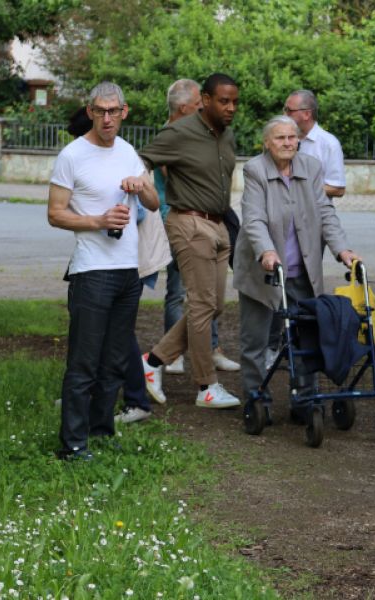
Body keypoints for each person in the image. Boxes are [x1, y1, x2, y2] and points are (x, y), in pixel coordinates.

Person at [47, 82, 159, 460]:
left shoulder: (128, 152)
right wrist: (98, 219)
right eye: (100, 111)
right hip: (92, 271)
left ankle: (100, 430)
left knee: (113, 360)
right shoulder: (72, 155)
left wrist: (140, 185)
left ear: (124, 112)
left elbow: (155, 202)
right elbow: (55, 213)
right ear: (90, 111)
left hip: (129, 270)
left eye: (114, 111)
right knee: (84, 361)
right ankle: (73, 444)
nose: (107, 118)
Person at [233, 116, 358, 405]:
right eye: (280, 138)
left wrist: (343, 250)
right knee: (256, 340)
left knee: (305, 336)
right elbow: (253, 219)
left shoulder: (311, 167)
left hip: (301, 269)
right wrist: (266, 251)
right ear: (267, 143)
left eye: (292, 137)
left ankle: (305, 398)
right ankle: (256, 397)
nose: (288, 143)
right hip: (263, 271)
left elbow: (325, 212)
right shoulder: (255, 170)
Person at [139, 73, 241, 409]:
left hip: (219, 225)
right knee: (200, 306)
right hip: (189, 223)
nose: (231, 108)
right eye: (224, 101)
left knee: (213, 306)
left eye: (235, 102)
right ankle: (206, 386)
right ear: (206, 101)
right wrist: (141, 187)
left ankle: (151, 363)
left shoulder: (226, 136)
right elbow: (143, 160)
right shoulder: (179, 132)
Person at [283, 90, 346, 199]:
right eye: (285, 110)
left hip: (314, 214)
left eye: (289, 110)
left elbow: (338, 188)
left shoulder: (329, 144)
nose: (285, 115)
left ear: (307, 114)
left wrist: (301, 188)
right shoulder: (283, 139)